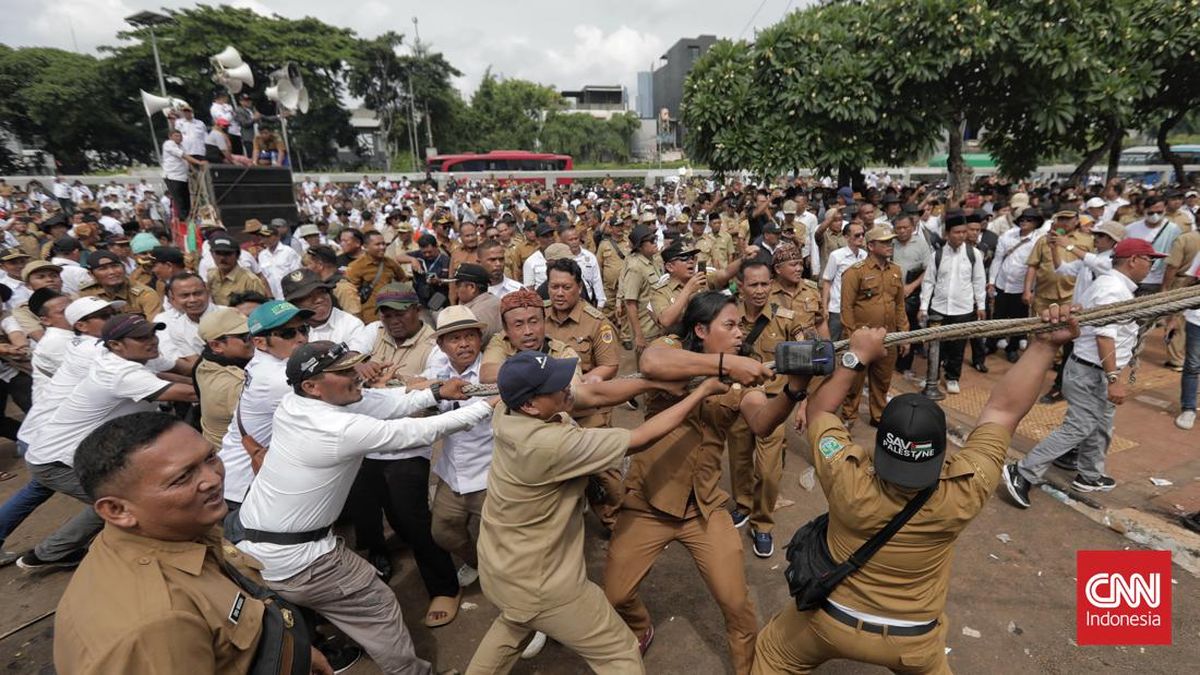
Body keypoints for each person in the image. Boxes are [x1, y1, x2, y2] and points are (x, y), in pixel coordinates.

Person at [751, 305, 1081, 674]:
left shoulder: (847, 478)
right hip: (914, 640)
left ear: (879, 448)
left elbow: (820, 413)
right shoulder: (966, 489)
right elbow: (1003, 411)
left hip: (830, 621)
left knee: (772, 654)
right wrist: (1044, 347)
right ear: (941, 454)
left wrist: (855, 356)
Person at [234, 340, 497, 674]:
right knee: (378, 606)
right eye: (343, 371)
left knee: (310, 609)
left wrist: (437, 392)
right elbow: (417, 431)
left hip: (261, 544)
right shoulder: (334, 428)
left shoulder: (295, 404)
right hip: (301, 558)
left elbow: (378, 401)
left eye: (352, 366)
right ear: (312, 386)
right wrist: (486, 405)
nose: (356, 375)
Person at [466, 351, 726, 674]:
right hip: (545, 585)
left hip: (502, 568)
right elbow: (640, 438)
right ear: (531, 405)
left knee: (515, 622)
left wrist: (651, 382)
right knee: (620, 653)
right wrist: (701, 392)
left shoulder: (508, 410)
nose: (566, 388)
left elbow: (592, 393)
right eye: (555, 386)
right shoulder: (549, 446)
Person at [604, 291, 807, 673]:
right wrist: (725, 364)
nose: (738, 332)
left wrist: (794, 390)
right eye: (728, 325)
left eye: (739, 326)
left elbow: (762, 422)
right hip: (648, 503)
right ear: (700, 329)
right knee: (615, 594)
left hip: (705, 508)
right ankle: (640, 625)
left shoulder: (742, 377)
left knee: (737, 605)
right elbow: (650, 360)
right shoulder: (671, 348)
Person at [55, 413, 333, 674]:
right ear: (117, 510)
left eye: (210, 457)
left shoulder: (180, 528)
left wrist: (297, 654)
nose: (213, 479)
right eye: (182, 478)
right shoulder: (154, 627)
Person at [15, 314, 198, 570]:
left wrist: (207, 376)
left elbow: (176, 376)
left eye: (152, 334)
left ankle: (49, 553)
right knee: (127, 504)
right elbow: (188, 392)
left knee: (116, 503)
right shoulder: (118, 372)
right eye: (141, 337)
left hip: (72, 451)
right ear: (115, 345)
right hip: (57, 460)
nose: (151, 341)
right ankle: (53, 554)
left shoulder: (129, 357)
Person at [1002, 239, 1163, 505]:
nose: (1152, 267)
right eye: (1150, 260)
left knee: (1101, 424)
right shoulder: (1112, 289)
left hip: (1098, 370)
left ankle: (1090, 475)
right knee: (1080, 426)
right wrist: (1113, 380)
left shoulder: (1113, 284)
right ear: (1134, 260)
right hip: (1092, 371)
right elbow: (1105, 337)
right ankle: (1023, 471)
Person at [725, 257, 815, 558]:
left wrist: (802, 404)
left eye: (766, 283)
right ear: (741, 286)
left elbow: (806, 360)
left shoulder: (787, 318)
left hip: (775, 407)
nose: (761, 290)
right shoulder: (729, 318)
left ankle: (762, 524)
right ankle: (743, 505)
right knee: (739, 460)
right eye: (754, 284)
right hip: (738, 401)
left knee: (768, 471)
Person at [217, 300, 313, 506]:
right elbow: (340, 400)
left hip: (253, 478)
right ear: (260, 342)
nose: (301, 338)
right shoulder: (274, 378)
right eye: (288, 333)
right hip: (245, 486)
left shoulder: (274, 360)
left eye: (304, 329)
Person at [840, 228, 909, 426]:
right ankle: (848, 417)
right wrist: (851, 337)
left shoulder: (895, 271)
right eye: (884, 242)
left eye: (891, 242)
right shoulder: (855, 272)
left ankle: (878, 416)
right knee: (854, 381)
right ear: (871, 246)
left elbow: (899, 305)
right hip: (862, 339)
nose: (890, 246)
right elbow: (847, 307)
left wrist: (904, 335)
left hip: (888, 338)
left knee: (882, 380)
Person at [1024, 208, 1094, 403]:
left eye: (1068, 219)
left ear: (1076, 222)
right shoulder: (1043, 240)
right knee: (1038, 338)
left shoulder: (1086, 241)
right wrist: (1027, 290)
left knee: (1068, 343)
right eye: (1060, 218)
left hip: (1070, 299)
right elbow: (1033, 266)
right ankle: (1030, 378)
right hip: (1044, 297)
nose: (1063, 223)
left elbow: (1090, 268)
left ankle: (1060, 384)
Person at [919, 211, 987, 395]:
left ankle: (952, 377)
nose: (961, 236)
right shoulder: (937, 255)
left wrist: (981, 306)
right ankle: (931, 376)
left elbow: (979, 281)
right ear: (947, 234)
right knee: (936, 346)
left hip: (963, 309)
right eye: (957, 232)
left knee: (957, 346)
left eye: (964, 232)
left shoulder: (974, 255)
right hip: (938, 309)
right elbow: (929, 282)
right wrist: (923, 307)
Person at [988, 208, 1044, 363]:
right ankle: (991, 343)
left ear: (1035, 223)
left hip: (1021, 287)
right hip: (1002, 283)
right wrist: (992, 281)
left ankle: (1012, 348)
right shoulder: (1008, 235)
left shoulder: (1039, 240)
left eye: (1029, 220)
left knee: (1017, 319)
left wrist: (1030, 290)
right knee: (997, 316)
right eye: (1023, 219)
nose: (1024, 222)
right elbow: (998, 259)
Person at [194, 307, 254, 449]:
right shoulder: (232, 383)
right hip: (238, 459)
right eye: (246, 337)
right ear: (216, 345)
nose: (255, 340)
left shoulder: (207, 362)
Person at [283, 268, 373, 353]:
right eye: (308, 296)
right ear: (293, 304)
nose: (319, 299)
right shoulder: (283, 332)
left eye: (322, 292)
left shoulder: (351, 325)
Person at [890, 214, 930, 375]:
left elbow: (928, 269)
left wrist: (911, 287)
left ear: (912, 228)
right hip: (892, 294)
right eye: (898, 228)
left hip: (911, 295)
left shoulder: (921, 244)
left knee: (910, 327)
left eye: (905, 227)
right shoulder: (890, 243)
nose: (902, 231)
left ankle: (904, 365)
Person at [619, 224, 663, 354]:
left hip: (657, 326)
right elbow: (630, 303)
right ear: (639, 246)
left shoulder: (652, 260)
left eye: (655, 238)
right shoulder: (635, 268)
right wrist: (638, 335)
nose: (655, 242)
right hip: (646, 330)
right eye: (651, 240)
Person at [347, 230, 407, 323]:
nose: (382, 247)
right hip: (370, 317)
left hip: (392, 313)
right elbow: (351, 295)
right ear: (366, 247)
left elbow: (403, 279)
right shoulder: (356, 267)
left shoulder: (390, 262)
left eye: (384, 244)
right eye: (377, 244)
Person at [820, 221, 866, 340]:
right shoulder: (836, 255)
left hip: (858, 308)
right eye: (857, 235)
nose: (861, 238)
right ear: (846, 237)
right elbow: (827, 281)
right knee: (832, 342)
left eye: (862, 234)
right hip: (837, 308)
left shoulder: (865, 256)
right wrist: (825, 307)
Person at [206, 234, 269, 305]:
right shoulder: (211, 275)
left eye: (227, 254)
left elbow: (260, 309)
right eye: (218, 253)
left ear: (237, 255)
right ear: (211, 254)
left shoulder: (250, 281)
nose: (222, 258)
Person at [305, 244, 363, 316]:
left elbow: (355, 318)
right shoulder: (321, 286)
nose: (307, 268)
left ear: (320, 265)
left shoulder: (342, 288)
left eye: (309, 264)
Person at [252, 220, 303, 299]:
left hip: (291, 295)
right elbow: (264, 277)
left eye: (268, 236)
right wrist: (269, 296)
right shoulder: (262, 255)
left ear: (277, 237)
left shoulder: (288, 252)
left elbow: (297, 274)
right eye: (263, 237)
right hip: (274, 298)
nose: (265, 239)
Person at [451, 263, 501, 342]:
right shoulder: (497, 301)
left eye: (458, 286)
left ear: (472, 287)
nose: (456, 290)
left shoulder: (471, 316)